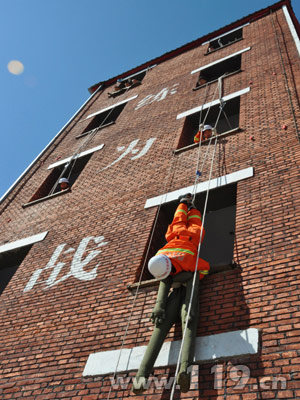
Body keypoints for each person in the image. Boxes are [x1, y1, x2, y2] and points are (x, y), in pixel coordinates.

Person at [132, 194, 210, 394]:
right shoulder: (165, 256)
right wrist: (186, 204)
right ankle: (179, 370)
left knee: (176, 323)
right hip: (184, 275)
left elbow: (187, 277)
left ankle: (152, 375)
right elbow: (171, 278)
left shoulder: (181, 258)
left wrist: (162, 306)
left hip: (186, 281)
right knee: (184, 322)